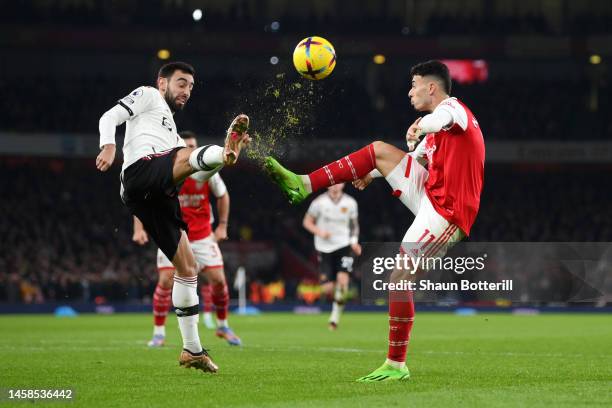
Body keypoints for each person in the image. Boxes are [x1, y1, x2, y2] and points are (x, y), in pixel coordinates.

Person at [265, 60, 485, 382]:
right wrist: (371, 171)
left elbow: (443, 118)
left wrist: (421, 125)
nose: (410, 92)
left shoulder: (454, 110)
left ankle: (396, 364)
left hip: (449, 212)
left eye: (414, 85)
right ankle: (305, 183)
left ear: (431, 87)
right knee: (379, 150)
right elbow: (411, 160)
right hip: (429, 193)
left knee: (399, 278)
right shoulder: (435, 132)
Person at [96, 61, 250, 373]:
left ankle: (191, 350)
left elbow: (197, 169)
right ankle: (225, 148)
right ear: (163, 83)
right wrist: (109, 145)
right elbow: (109, 116)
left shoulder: (174, 136)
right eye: (181, 83)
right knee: (184, 156)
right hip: (140, 172)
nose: (186, 91)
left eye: (191, 87)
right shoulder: (149, 95)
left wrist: (223, 159)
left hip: (158, 194)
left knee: (187, 266)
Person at [132, 131, 242, 348]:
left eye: (194, 145)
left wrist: (221, 226)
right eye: (187, 145)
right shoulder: (166, 170)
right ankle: (158, 333)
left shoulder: (206, 170)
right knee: (165, 281)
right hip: (172, 233)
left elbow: (223, 195)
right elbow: (142, 196)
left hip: (202, 234)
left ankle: (223, 326)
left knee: (219, 280)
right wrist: (138, 228)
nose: (192, 149)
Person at [303, 183, 361, 330]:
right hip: (324, 247)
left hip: (344, 245)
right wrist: (319, 232)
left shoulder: (350, 202)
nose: (335, 186)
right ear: (327, 185)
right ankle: (336, 296)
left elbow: (354, 226)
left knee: (343, 282)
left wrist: (354, 242)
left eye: (339, 183)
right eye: (332, 183)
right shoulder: (318, 203)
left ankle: (334, 317)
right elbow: (307, 222)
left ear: (343, 184)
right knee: (327, 288)